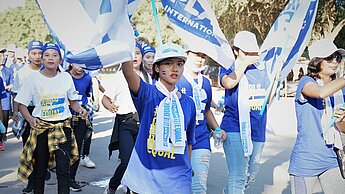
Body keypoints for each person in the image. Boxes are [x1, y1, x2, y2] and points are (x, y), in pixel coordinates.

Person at [120, 42, 196, 193]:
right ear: (156, 67)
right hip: (147, 177)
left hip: (178, 179)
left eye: (179, 64)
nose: (174, 68)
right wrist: (125, 39)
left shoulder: (189, 103)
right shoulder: (147, 93)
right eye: (168, 63)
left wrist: (188, 166)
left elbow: (189, 142)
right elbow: (128, 72)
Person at [15, 42, 87, 194]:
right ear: (41, 59)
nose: (50, 58)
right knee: (40, 170)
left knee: (63, 170)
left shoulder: (66, 77)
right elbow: (21, 104)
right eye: (46, 55)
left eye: (55, 55)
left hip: (63, 129)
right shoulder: (33, 78)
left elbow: (73, 102)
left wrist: (81, 110)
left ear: (60, 60)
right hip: (41, 129)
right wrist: (29, 119)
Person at [288, 39, 345, 193]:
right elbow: (320, 93)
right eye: (329, 57)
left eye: (337, 58)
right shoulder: (306, 82)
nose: (335, 61)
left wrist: (341, 119)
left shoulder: (340, 89)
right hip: (306, 161)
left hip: (332, 159)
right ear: (316, 61)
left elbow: (342, 127)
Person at [219, 31, 270, 194]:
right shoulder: (229, 66)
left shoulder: (262, 68)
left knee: (251, 174)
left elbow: (268, 98)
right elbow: (228, 83)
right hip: (234, 127)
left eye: (253, 52)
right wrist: (245, 63)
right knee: (238, 175)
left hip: (257, 129)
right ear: (236, 51)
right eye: (246, 52)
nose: (251, 55)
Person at [176, 46, 226, 193]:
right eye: (196, 54)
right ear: (187, 55)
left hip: (201, 139)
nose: (200, 59)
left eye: (203, 55)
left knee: (199, 187)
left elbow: (206, 110)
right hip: (179, 141)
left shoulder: (205, 82)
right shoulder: (176, 79)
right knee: (180, 186)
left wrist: (217, 129)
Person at [12, 40, 45, 193]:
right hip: (27, 111)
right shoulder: (22, 73)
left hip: (44, 111)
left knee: (43, 148)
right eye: (34, 53)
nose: (37, 56)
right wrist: (15, 112)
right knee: (30, 148)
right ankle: (32, 181)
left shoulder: (49, 70)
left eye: (40, 53)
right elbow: (16, 95)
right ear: (28, 55)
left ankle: (42, 173)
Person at [67, 64, 94, 192]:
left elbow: (88, 94)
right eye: (78, 63)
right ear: (71, 63)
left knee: (77, 146)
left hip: (81, 112)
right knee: (63, 147)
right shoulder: (65, 76)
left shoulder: (88, 78)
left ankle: (71, 178)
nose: (81, 67)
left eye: (84, 64)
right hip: (65, 113)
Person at [0, 46, 13, 144]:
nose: (2, 57)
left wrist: (6, 87)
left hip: (5, 100)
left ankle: (2, 137)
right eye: (0, 56)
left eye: (3, 56)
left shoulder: (8, 70)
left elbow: (13, 83)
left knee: (3, 121)